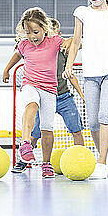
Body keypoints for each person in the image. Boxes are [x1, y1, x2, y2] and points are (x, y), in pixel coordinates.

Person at [63, 0, 108, 179]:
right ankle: (104, 157)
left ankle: (101, 162)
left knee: (105, 115)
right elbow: (76, 41)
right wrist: (69, 64)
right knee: (91, 121)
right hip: (90, 73)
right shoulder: (82, 13)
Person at [11, 18, 85, 173]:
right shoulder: (35, 48)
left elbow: (77, 50)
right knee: (36, 132)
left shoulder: (63, 50)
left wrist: (82, 94)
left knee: (76, 128)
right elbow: (20, 49)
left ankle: (80, 158)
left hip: (64, 97)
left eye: (55, 31)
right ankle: (23, 160)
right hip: (43, 96)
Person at [2, 7, 63, 179]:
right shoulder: (24, 45)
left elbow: (71, 44)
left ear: (45, 28)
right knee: (31, 104)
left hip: (50, 89)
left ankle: (46, 164)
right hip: (30, 84)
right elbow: (17, 56)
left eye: (35, 32)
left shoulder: (55, 41)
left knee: (47, 128)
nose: (32, 36)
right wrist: (7, 69)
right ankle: (26, 142)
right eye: (28, 33)